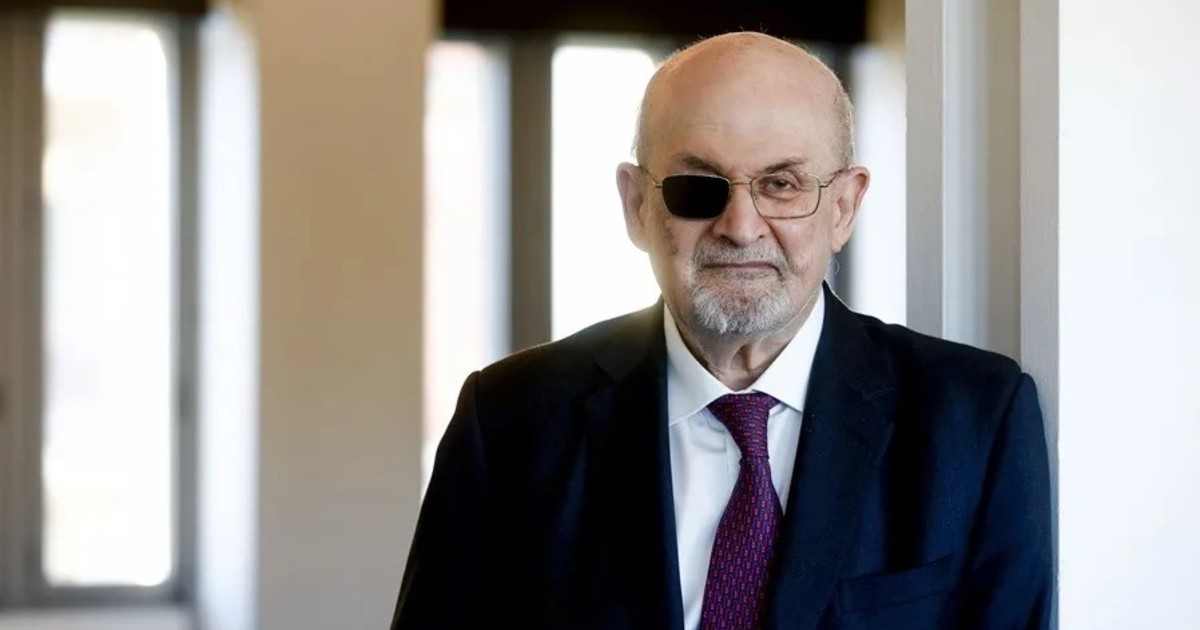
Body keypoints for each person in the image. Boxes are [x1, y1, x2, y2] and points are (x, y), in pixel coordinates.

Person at [391, 31, 1052, 630]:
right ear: (637, 205)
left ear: (845, 206)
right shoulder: (509, 422)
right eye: (697, 186)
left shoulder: (975, 419)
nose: (740, 227)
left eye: (782, 184)